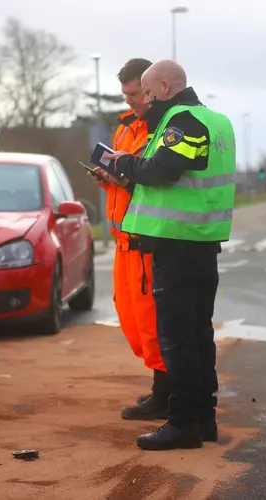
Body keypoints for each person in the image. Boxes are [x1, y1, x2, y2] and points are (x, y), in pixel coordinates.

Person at [101, 60, 237, 451]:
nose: (144, 100)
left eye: (147, 92)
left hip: (177, 245)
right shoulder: (217, 121)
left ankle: (181, 423)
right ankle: (203, 419)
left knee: (178, 340)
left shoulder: (183, 120)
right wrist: (131, 171)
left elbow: (164, 170)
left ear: (164, 85)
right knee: (198, 335)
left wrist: (121, 162)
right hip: (201, 241)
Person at [88, 58, 170, 421]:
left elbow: (156, 179)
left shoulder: (158, 131)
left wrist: (125, 179)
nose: (131, 101)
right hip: (123, 242)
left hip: (144, 241)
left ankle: (165, 394)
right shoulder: (125, 129)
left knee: (153, 324)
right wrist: (108, 178)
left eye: (136, 93)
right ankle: (163, 390)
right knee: (133, 323)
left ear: (151, 89)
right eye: (126, 95)